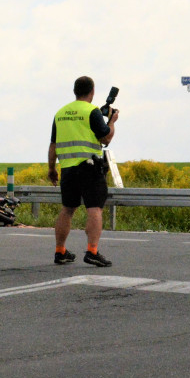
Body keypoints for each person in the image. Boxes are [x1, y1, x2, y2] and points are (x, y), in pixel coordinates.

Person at [48, 76, 119, 267]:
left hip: (68, 169)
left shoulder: (60, 113)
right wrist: (112, 121)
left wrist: (51, 169)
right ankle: (92, 251)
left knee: (68, 209)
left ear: (75, 91)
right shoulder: (92, 111)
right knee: (94, 208)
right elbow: (106, 139)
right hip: (89, 168)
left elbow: (53, 144)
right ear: (92, 92)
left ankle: (60, 251)